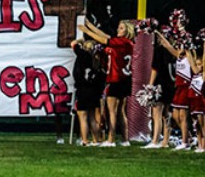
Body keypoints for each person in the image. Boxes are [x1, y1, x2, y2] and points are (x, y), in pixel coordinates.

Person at [78, 19, 134, 147]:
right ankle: (125, 139)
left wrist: (86, 31)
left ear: (127, 31)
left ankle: (111, 139)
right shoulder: (128, 43)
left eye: (121, 28)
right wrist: (90, 25)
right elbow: (105, 36)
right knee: (120, 111)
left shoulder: (121, 42)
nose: (118, 30)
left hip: (115, 79)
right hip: (125, 80)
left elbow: (104, 40)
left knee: (112, 111)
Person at [155, 31, 192, 150]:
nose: (178, 47)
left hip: (186, 87)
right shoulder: (178, 55)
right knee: (175, 116)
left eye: (181, 45)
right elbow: (167, 45)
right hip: (178, 88)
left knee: (183, 116)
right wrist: (157, 33)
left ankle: (185, 142)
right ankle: (188, 137)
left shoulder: (190, 56)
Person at [143, 33, 175, 149]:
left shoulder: (159, 50)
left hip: (160, 84)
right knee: (166, 115)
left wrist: (150, 85)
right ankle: (165, 141)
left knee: (156, 114)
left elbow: (155, 68)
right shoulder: (173, 50)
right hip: (171, 85)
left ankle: (155, 140)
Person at [71, 39, 105, 146]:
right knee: (92, 117)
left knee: (82, 117)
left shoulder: (82, 55)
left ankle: (85, 140)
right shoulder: (96, 60)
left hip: (83, 90)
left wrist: (81, 40)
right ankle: (97, 139)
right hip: (93, 91)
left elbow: (73, 44)